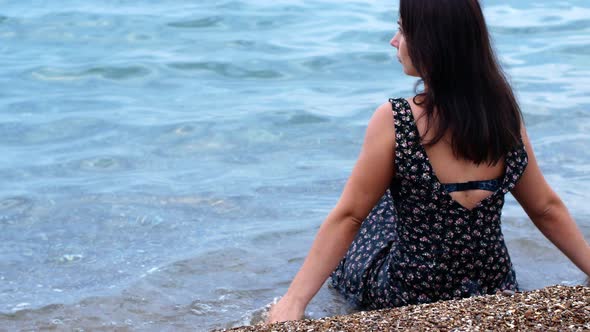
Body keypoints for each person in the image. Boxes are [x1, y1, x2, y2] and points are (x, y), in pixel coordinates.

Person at [267, 0, 590, 323]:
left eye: (402, 30)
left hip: (407, 292)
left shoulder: (397, 119)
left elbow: (350, 216)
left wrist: (293, 303)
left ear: (429, 42)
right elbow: (545, 208)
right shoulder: (503, 116)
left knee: (376, 210)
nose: (394, 41)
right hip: (494, 284)